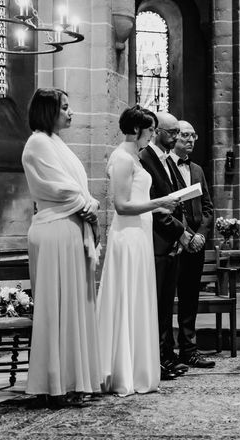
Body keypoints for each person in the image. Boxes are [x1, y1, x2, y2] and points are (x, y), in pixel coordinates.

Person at [21, 88, 102, 407]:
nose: (71, 113)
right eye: (64, 108)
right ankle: (52, 382)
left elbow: (76, 187)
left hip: (69, 228)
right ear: (47, 111)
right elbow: (57, 186)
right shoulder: (38, 142)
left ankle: (72, 379)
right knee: (56, 307)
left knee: (73, 306)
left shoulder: (56, 142)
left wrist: (88, 201)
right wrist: (86, 203)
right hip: (55, 230)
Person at [96, 106, 180, 396]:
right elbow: (121, 205)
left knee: (139, 301)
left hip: (140, 236)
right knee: (127, 300)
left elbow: (137, 197)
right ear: (136, 130)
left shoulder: (135, 157)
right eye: (151, 130)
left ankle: (138, 367)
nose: (153, 135)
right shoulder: (121, 157)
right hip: (127, 237)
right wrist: (160, 203)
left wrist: (158, 203)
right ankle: (123, 372)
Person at [139, 111, 192, 379]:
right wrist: (180, 232)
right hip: (158, 241)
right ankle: (157, 360)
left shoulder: (167, 160)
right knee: (157, 306)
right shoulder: (145, 158)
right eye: (171, 133)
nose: (175, 137)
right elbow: (155, 205)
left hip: (170, 243)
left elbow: (174, 197)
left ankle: (167, 357)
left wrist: (181, 233)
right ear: (157, 130)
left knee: (166, 306)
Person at [169, 120, 216, 368]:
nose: (191, 140)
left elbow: (207, 207)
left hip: (196, 243)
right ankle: (167, 351)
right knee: (167, 299)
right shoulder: (166, 165)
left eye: (193, 135)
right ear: (174, 137)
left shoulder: (196, 169)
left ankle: (190, 350)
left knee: (189, 299)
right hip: (174, 241)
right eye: (185, 135)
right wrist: (185, 235)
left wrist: (200, 235)